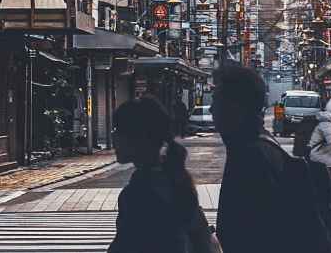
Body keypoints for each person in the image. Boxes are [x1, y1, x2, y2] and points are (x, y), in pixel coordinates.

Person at [107, 97, 215, 253]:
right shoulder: (175, 179)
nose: (113, 136)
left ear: (139, 137)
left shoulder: (138, 194)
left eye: (118, 130)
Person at [211, 62, 281, 252]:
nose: (211, 110)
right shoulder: (253, 146)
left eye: (216, 101)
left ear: (235, 106)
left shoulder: (251, 156)